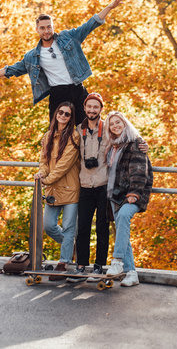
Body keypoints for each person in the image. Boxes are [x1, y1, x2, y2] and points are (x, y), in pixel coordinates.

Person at [0, 0, 125, 125]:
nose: (46, 31)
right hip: (58, 94)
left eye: (49, 27)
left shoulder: (68, 38)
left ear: (53, 27)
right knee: (57, 134)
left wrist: (110, 7)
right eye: (43, 28)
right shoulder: (32, 57)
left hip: (78, 89)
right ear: (37, 30)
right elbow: (11, 70)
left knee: (90, 126)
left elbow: (90, 24)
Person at [68, 93, 148, 283]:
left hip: (105, 186)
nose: (92, 110)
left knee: (103, 228)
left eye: (96, 107)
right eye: (89, 107)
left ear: (101, 109)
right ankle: (81, 266)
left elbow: (128, 137)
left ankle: (99, 267)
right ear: (85, 108)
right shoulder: (79, 130)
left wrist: (143, 143)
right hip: (85, 184)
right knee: (83, 227)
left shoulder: (108, 129)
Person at [104, 111, 153, 287]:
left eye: (118, 122)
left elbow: (140, 171)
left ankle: (117, 261)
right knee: (122, 232)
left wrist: (134, 194)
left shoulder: (136, 142)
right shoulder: (112, 146)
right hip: (114, 195)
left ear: (125, 123)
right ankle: (132, 273)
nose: (115, 125)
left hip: (132, 195)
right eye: (112, 123)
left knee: (124, 217)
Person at [34, 102, 80, 280]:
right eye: (60, 112)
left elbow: (64, 165)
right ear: (56, 114)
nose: (63, 115)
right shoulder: (48, 135)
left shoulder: (74, 136)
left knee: (69, 227)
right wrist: (41, 174)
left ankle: (63, 262)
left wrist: (47, 179)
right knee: (48, 225)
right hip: (53, 189)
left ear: (71, 117)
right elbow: (43, 162)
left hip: (70, 189)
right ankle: (70, 246)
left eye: (67, 114)